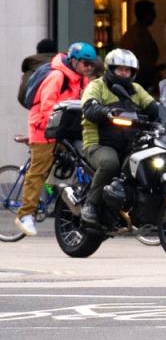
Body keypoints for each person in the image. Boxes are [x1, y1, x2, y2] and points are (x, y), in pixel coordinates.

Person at [15, 43, 100, 236]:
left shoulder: (82, 79)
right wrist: (57, 128)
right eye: (85, 64)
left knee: (76, 163)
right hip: (44, 128)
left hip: (65, 128)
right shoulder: (57, 77)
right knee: (39, 170)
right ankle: (25, 214)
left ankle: (74, 203)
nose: (88, 68)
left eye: (91, 64)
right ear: (74, 61)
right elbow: (47, 107)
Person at [80, 49, 160, 225]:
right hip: (99, 143)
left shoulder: (136, 89)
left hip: (129, 143)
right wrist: (106, 112)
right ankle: (91, 204)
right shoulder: (97, 86)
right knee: (110, 163)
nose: (124, 73)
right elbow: (89, 108)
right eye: (120, 69)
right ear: (110, 69)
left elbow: (153, 108)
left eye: (128, 70)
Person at [118, 0, 160, 92]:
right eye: (152, 13)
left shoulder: (137, 32)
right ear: (146, 15)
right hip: (139, 82)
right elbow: (143, 62)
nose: (155, 16)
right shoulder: (139, 35)